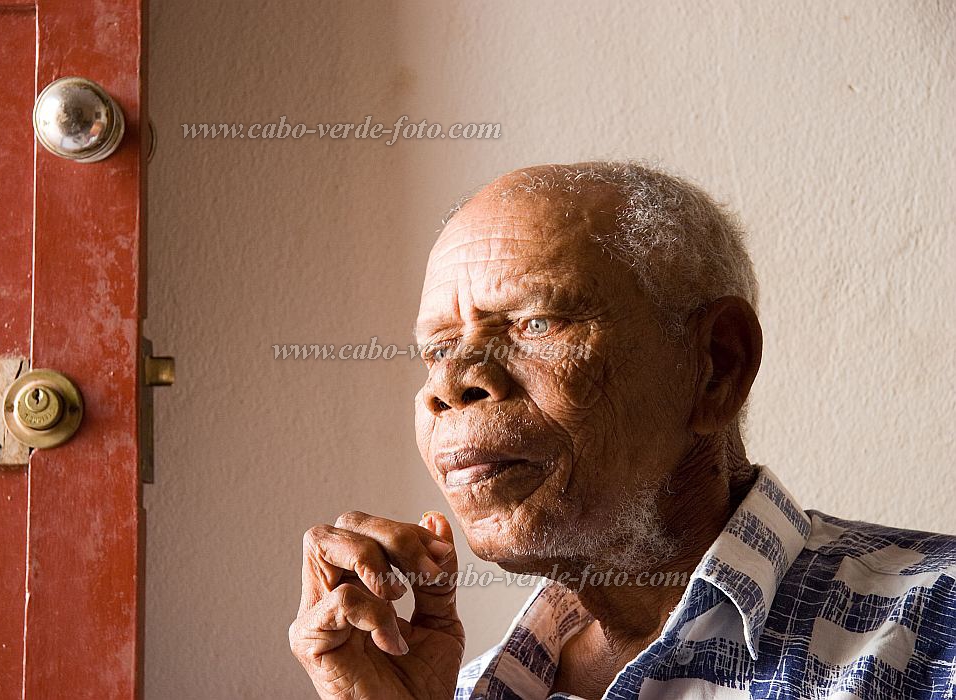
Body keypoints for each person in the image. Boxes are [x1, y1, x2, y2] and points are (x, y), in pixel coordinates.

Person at [289, 161, 956, 699]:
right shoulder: (454, 691)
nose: (448, 383)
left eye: (535, 323)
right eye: (436, 349)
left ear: (717, 365)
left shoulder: (939, 628)